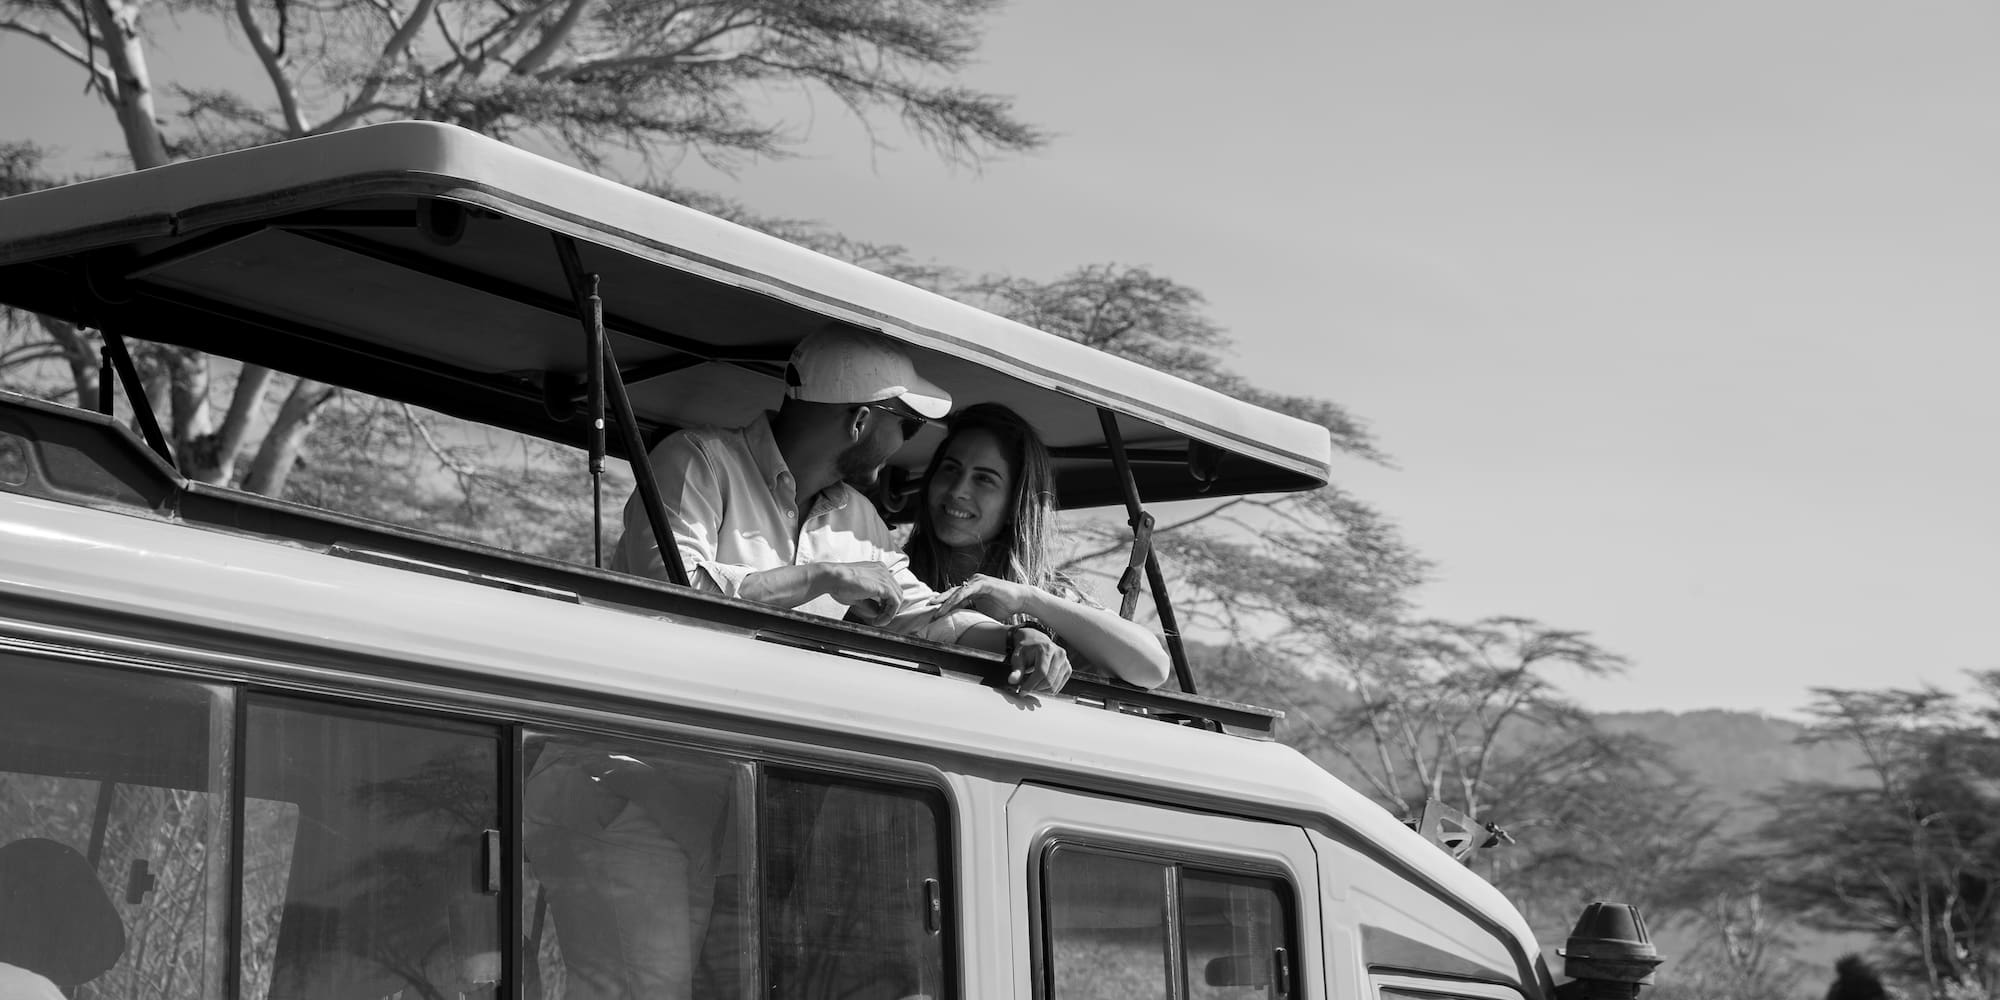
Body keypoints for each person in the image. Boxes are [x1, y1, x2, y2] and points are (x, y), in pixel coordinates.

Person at [609, 323, 1070, 693]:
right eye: (908, 427)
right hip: (630, 760)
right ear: (861, 421)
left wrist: (1014, 639)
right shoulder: (696, 460)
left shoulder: (862, 520)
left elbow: (925, 615)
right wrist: (823, 577)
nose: (908, 445)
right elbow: (668, 592)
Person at [909, 403, 1172, 690]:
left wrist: (1028, 599)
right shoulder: (894, 568)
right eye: (950, 469)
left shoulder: (1051, 594)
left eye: (984, 479)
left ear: (1015, 504)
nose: (958, 490)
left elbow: (1153, 668)